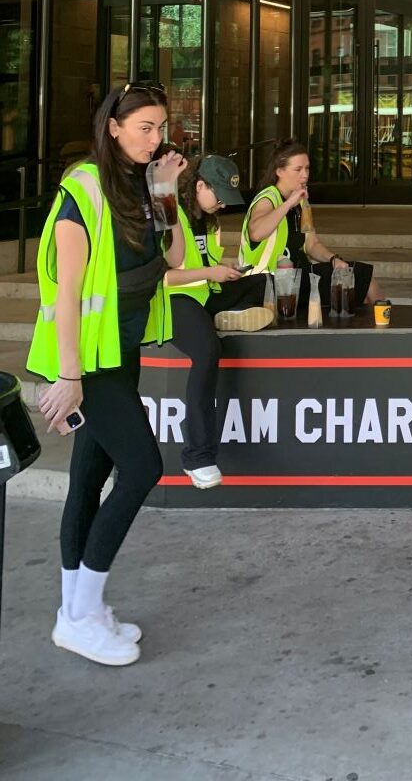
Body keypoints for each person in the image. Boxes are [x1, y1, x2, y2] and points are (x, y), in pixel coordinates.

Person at [28, 82, 190, 667]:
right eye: (143, 127)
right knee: (143, 466)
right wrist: (67, 377)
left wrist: (169, 192)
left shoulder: (142, 185)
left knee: (88, 476)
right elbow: (66, 294)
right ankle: (81, 613)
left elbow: (172, 262)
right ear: (113, 127)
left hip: (121, 352)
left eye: (160, 126)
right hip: (89, 363)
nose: (155, 138)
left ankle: (78, 612)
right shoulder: (83, 189)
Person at [167, 153, 273, 491]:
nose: (222, 207)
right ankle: (198, 456)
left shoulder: (208, 219)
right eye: (219, 198)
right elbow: (164, 277)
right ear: (199, 186)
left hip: (206, 294)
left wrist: (224, 275)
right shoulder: (171, 216)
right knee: (207, 351)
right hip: (174, 300)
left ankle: (231, 315)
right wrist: (212, 273)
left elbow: (206, 267)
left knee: (262, 280)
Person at [240, 139, 380, 310]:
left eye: (307, 169)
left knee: (358, 279)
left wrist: (333, 259)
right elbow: (256, 233)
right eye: (298, 169)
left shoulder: (301, 202)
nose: (305, 175)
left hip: (298, 275)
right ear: (279, 171)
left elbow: (311, 244)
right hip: (268, 281)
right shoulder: (268, 198)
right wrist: (288, 204)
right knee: (360, 283)